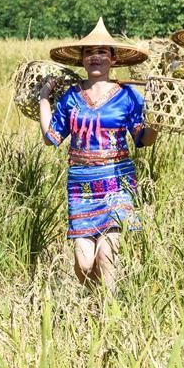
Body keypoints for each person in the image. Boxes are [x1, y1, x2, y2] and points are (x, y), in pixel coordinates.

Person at [40, 18, 157, 292]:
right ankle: (93, 303)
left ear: (113, 59)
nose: (95, 57)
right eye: (89, 52)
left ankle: (109, 316)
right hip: (80, 186)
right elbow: (51, 138)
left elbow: (144, 140)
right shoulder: (70, 97)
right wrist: (44, 98)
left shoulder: (128, 96)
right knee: (83, 263)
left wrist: (156, 114)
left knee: (106, 256)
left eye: (102, 52)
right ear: (81, 60)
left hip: (117, 183)